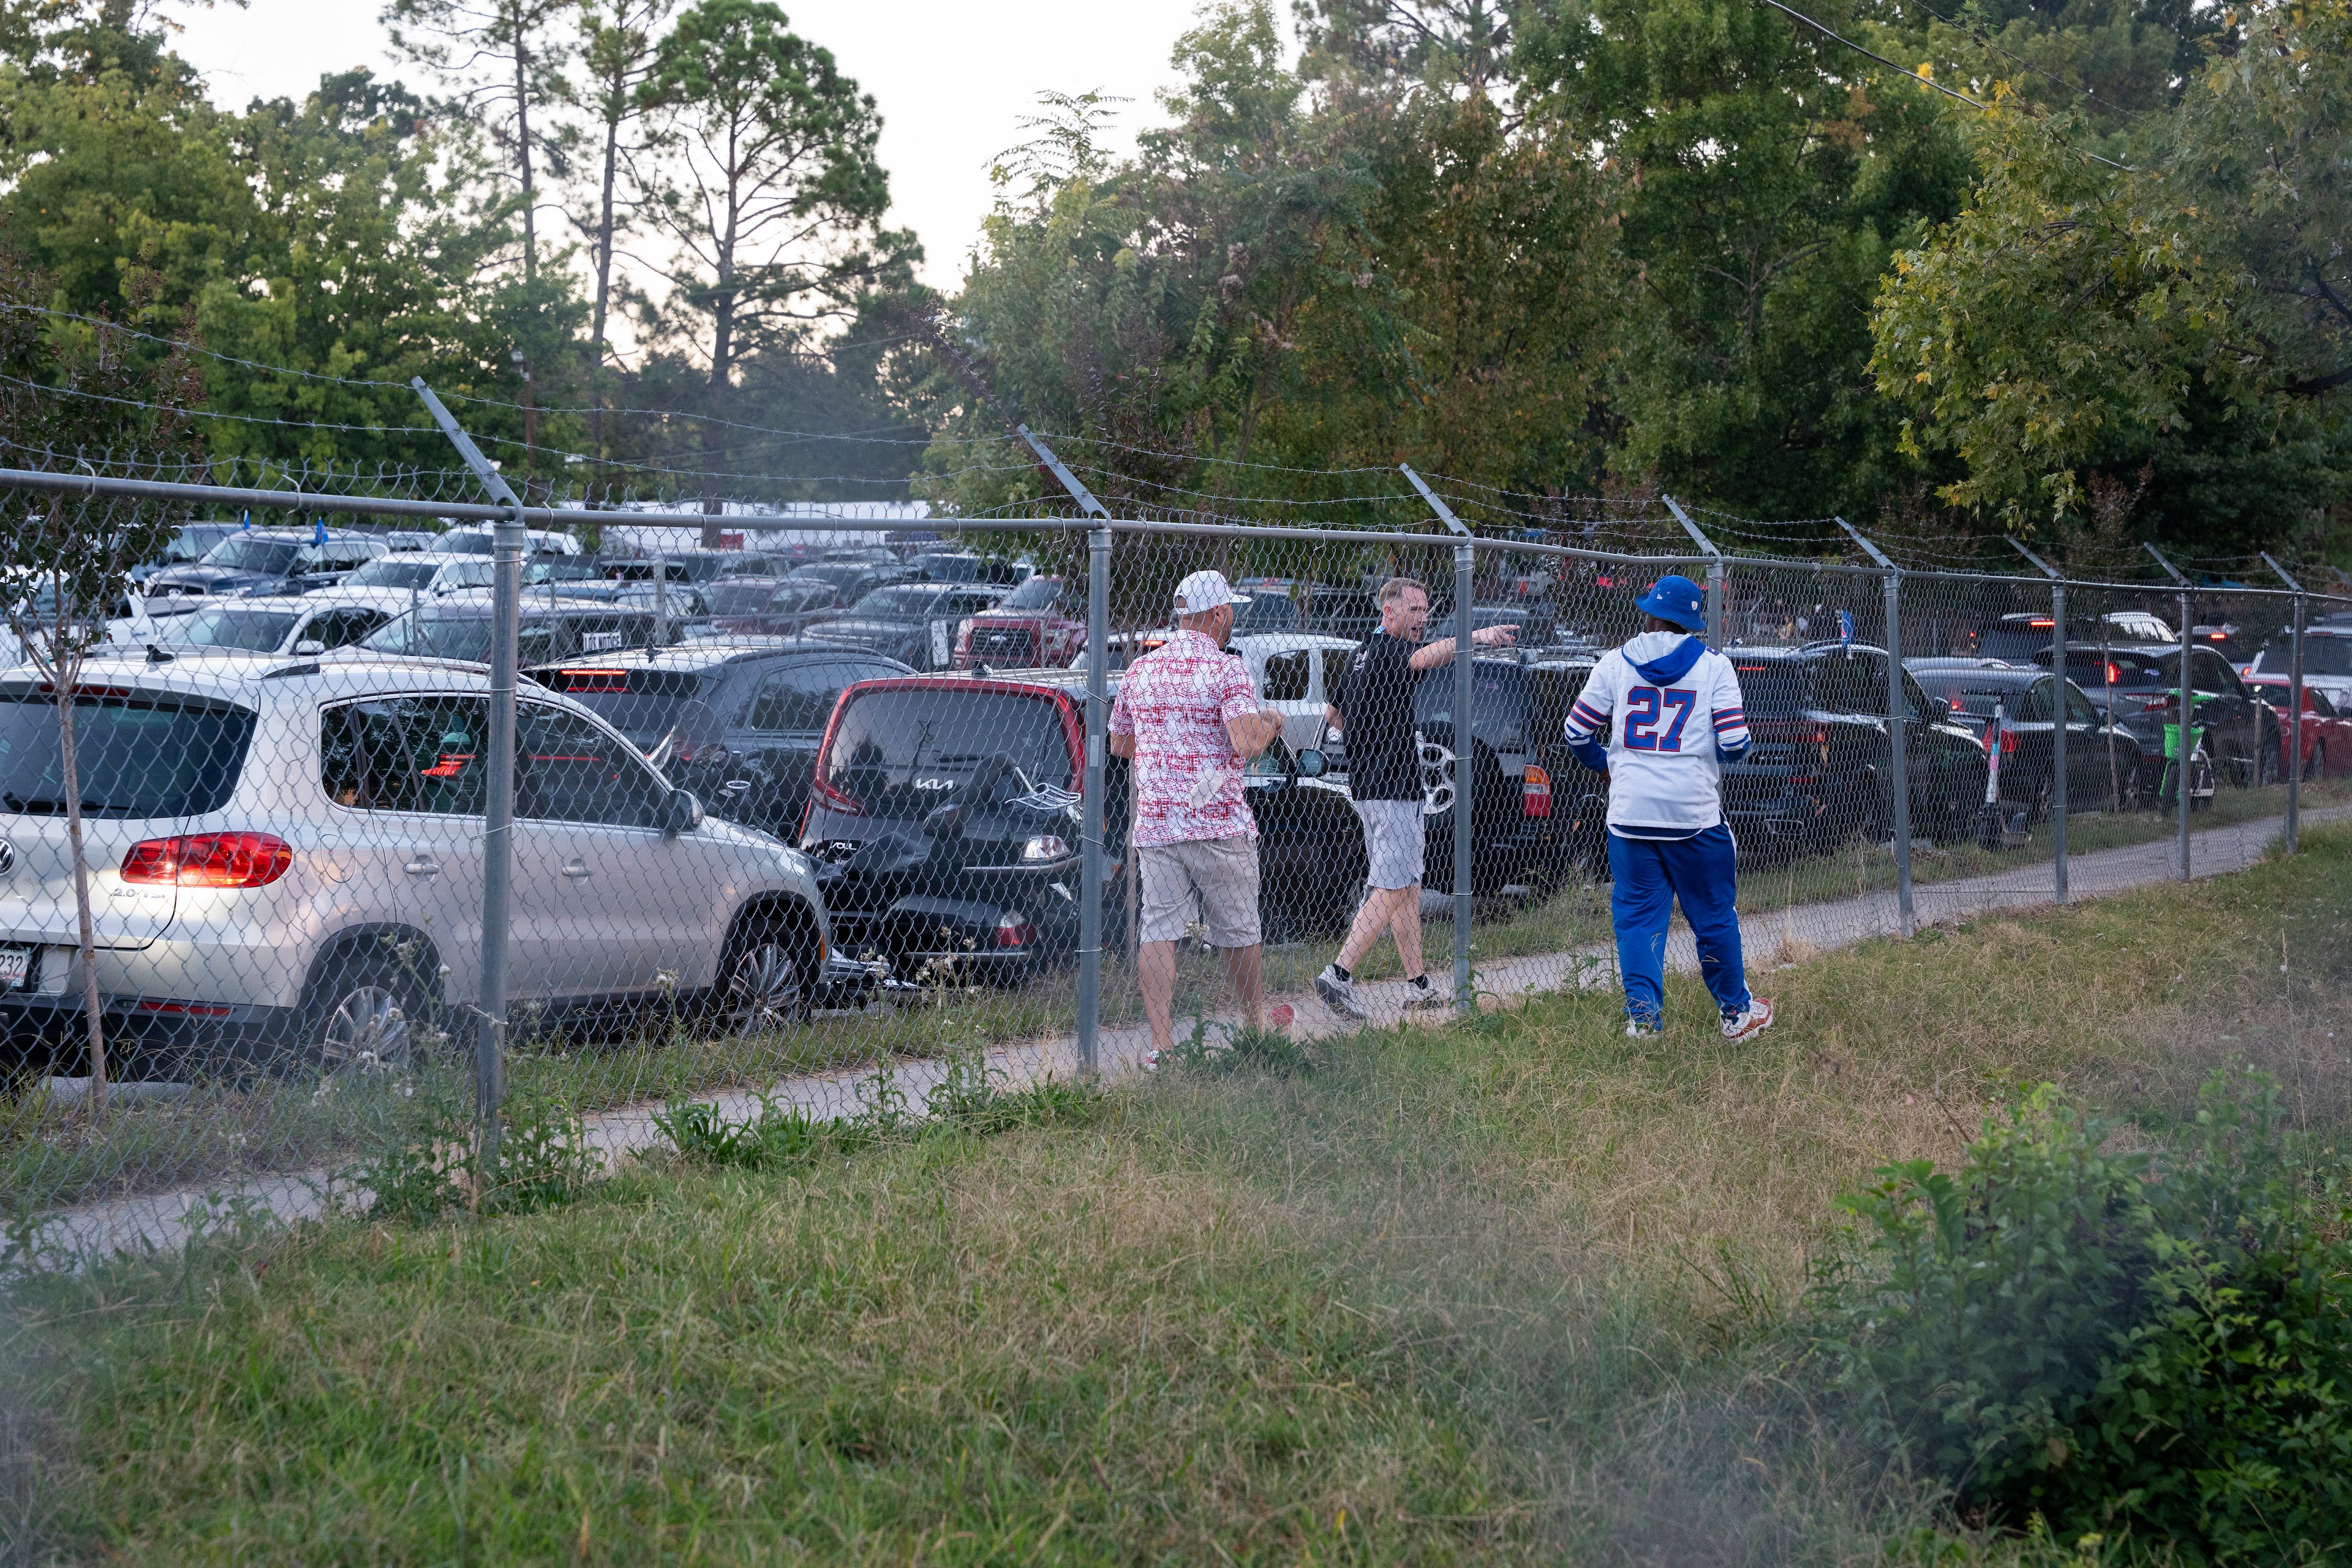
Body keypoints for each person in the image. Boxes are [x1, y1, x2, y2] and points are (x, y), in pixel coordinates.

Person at [1561, 575, 1774, 1040]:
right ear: (1693, 621)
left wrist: (1606, 767)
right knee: (1714, 916)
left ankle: (1643, 1020)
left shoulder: (1615, 663)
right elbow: (1736, 743)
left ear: (1650, 612)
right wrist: (1704, 757)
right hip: (1693, 816)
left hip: (1629, 815)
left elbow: (1576, 733)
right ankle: (1736, 1014)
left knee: (1637, 919)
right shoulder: (1716, 667)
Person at [1313, 576, 1517, 1020]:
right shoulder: (1389, 649)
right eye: (1414, 610)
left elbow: (1334, 714)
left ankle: (1417, 984)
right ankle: (1338, 974)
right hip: (1395, 789)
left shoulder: (1357, 656)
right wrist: (1476, 637)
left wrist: (1371, 740)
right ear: (1389, 612)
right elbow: (1424, 658)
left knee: (1406, 886)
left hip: (1369, 787)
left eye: (1425, 610)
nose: (1422, 618)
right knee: (1391, 885)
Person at [1108, 569, 1287, 1068]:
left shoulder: (1142, 670)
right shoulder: (1227, 669)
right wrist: (1271, 722)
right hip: (1217, 822)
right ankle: (1255, 1022)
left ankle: (1161, 1044)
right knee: (1238, 928)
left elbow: (1120, 744)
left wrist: (1170, 745)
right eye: (1229, 610)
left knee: (1159, 928)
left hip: (1159, 821)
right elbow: (1248, 744)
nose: (1231, 618)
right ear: (1217, 615)